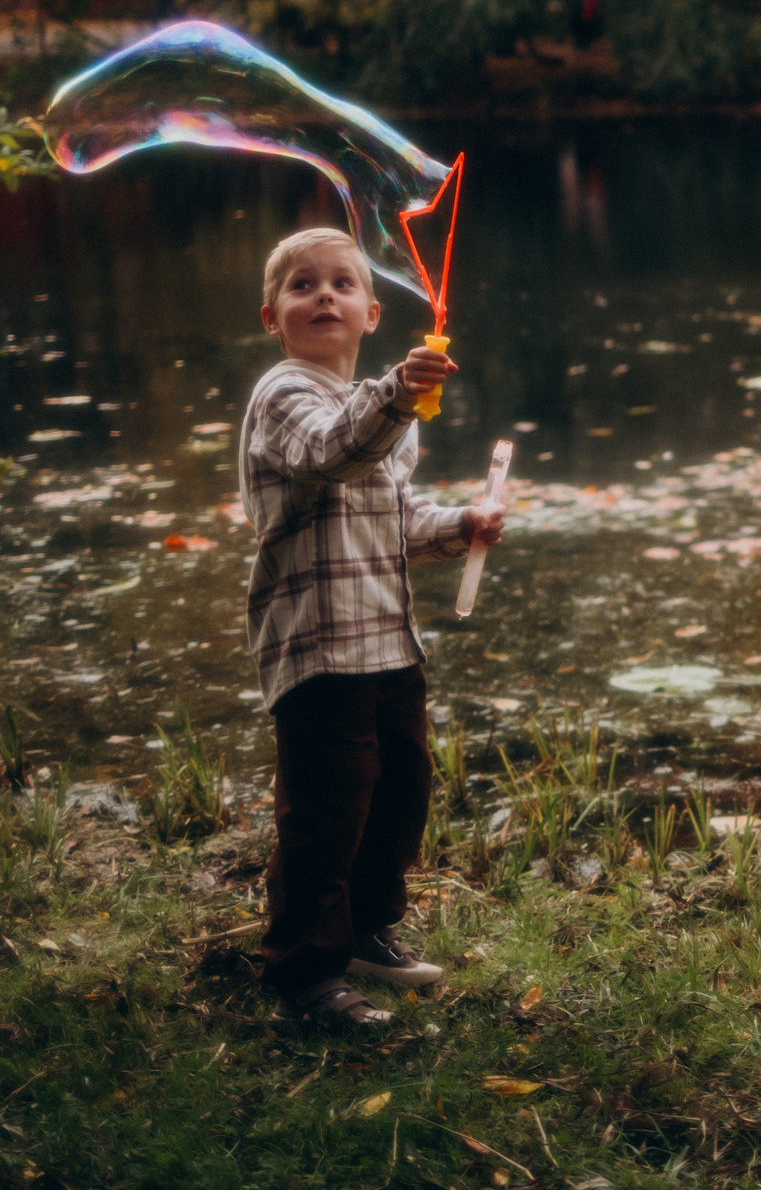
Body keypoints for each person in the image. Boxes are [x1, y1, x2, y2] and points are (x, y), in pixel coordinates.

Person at [239, 226, 506, 1030]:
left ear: (372, 311)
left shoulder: (391, 413)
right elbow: (331, 455)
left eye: (342, 285)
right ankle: (304, 972)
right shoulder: (284, 396)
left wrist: (462, 524)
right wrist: (396, 391)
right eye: (303, 286)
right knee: (327, 804)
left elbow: (389, 516)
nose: (324, 295)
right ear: (272, 316)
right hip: (319, 645)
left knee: (398, 788)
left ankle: (363, 927)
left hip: (388, 640)